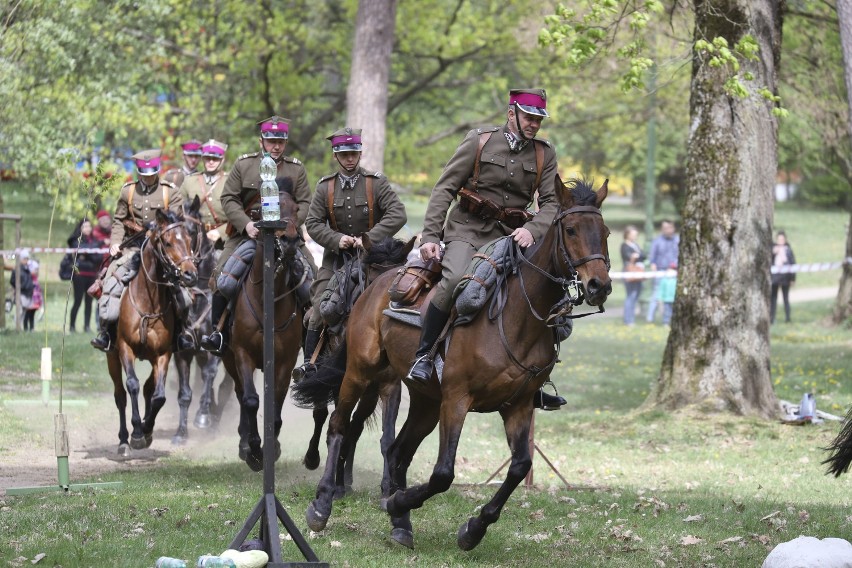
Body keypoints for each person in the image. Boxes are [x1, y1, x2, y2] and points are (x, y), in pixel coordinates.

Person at [406, 88, 565, 410]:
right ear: (512, 114)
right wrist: (431, 237)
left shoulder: (544, 154)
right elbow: (445, 189)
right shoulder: (479, 140)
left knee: (550, 294)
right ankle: (423, 356)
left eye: (538, 120)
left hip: (512, 236)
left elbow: (551, 203)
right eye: (529, 118)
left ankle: (534, 377)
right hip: (468, 230)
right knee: (453, 283)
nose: (534, 125)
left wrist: (531, 229)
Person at [294, 127, 407, 374]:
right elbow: (312, 223)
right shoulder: (325, 187)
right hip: (336, 260)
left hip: (371, 259)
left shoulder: (375, 183)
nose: (350, 158)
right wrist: (337, 239)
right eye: (344, 154)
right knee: (319, 309)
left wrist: (368, 238)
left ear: (360, 153)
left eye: (354, 153)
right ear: (336, 155)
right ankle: (309, 367)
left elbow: (398, 214)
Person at [201, 116, 314, 354]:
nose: (276, 146)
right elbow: (228, 198)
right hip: (248, 236)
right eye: (271, 140)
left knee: (311, 278)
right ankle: (218, 333)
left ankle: (310, 341)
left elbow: (305, 202)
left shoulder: (296, 168)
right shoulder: (244, 165)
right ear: (261, 140)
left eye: (280, 141)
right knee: (222, 276)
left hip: (287, 237)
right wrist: (246, 225)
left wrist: (290, 226)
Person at [91, 149, 189, 352]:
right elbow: (119, 219)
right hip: (132, 248)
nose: (148, 178)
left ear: (158, 170)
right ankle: (107, 333)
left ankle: (181, 333)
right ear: (138, 173)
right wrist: (115, 243)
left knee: (182, 294)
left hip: (162, 252)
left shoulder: (170, 192)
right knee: (111, 279)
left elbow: (177, 223)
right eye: (144, 174)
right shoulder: (128, 191)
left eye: (152, 173)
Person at [179, 139, 229, 249]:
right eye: (207, 158)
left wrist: (220, 232)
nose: (211, 162)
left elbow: (240, 214)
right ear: (203, 159)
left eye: (215, 158)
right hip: (194, 241)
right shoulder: (189, 181)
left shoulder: (230, 182)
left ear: (222, 159)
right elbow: (177, 210)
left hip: (223, 244)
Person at [67, 218, 105, 332]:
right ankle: (72, 326)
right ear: (80, 228)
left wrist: (87, 254)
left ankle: (87, 326)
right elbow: (80, 250)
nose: (88, 228)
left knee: (89, 302)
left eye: (89, 226)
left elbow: (98, 257)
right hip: (79, 275)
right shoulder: (76, 240)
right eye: (85, 226)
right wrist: (90, 252)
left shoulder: (93, 240)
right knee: (78, 301)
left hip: (92, 275)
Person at [645, 220, 679, 324]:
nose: (667, 230)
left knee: (673, 297)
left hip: (674, 272)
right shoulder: (657, 241)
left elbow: (680, 255)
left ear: (673, 228)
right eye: (665, 228)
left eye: (669, 228)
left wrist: (674, 266)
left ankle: (671, 320)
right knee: (656, 296)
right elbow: (652, 258)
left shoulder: (678, 240)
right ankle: (650, 319)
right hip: (660, 271)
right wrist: (653, 266)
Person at [620, 225, 645, 326]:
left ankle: (631, 319)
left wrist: (637, 256)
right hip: (629, 271)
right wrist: (636, 256)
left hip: (638, 271)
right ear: (627, 235)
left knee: (636, 296)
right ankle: (628, 320)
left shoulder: (636, 245)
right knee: (631, 295)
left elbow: (644, 255)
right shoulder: (624, 246)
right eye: (633, 234)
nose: (635, 236)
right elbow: (627, 256)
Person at [770, 231, 795, 324]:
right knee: (773, 299)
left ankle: (788, 318)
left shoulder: (788, 250)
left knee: (786, 298)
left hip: (785, 278)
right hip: (775, 278)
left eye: (782, 239)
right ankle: (772, 318)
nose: (780, 241)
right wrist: (773, 253)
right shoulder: (772, 249)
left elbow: (793, 264)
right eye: (779, 239)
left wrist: (792, 279)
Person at [9, 249, 35, 330]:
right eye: (25, 258)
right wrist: (19, 287)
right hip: (21, 293)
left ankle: (20, 327)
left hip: (28, 293)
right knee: (19, 311)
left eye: (27, 258)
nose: (26, 260)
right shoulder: (17, 269)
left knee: (24, 312)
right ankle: (17, 327)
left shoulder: (27, 268)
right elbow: (12, 280)